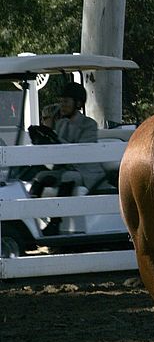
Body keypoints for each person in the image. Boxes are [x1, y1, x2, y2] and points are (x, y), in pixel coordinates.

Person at [29, 82, 106, 236]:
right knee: (41, 177)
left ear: (77, 103)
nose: (62, 105)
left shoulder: (89, 124)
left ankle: (55, 224)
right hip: (66, 168)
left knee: (69, 176)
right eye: (61, 101)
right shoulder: (61, 123)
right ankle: (31, 219)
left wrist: (54, 135)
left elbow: (81, 151)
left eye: (66, 102)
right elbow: (56, 149)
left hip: (85, 171)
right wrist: (45, 133)